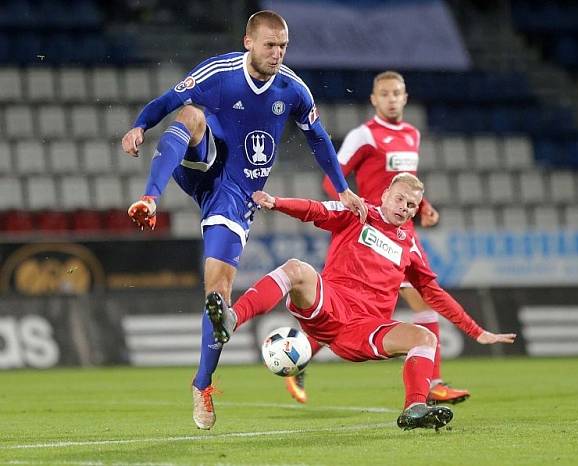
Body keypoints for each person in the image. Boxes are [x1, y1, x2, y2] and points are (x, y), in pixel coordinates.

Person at [119, 10, 367, 430]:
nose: (278, 53)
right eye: (270, 45)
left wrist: (342, 187)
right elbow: (167, 100)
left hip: (235, 198)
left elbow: (318, 138)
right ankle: (149, 198)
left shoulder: (293, 89)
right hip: (204, 161)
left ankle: (202, 385)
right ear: (248, 41)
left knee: (218, 295)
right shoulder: (219, 72)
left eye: (284, 46)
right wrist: (140, 126)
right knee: (190, 116)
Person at [205, 173, 516, 430]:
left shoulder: (410, 246)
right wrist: (277, 203)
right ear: (384, 195)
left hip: (366, 328)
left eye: (412, 205)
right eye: (400, 199)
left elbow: (433, 292)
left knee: (425, 337)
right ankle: (232, 319)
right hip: (331, 304)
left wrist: (476, 331)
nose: (405, 208)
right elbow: (317, 210)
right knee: (297, 269)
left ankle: (415, 409)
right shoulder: (359, 213)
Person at [282, 71, 466, 406]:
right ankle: (432, 382)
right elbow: (332, 180)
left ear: (405, 97)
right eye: (385, 94)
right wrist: (362, 208)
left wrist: (422, 206)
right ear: (374, 99)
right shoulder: (363, 135)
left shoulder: (412, 135)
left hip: (400, 234)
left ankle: (432, 382)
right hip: (367, 232)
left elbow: (407, 182)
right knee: (364, 309)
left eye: (397, 93)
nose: (391, 99)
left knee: (418, 302)